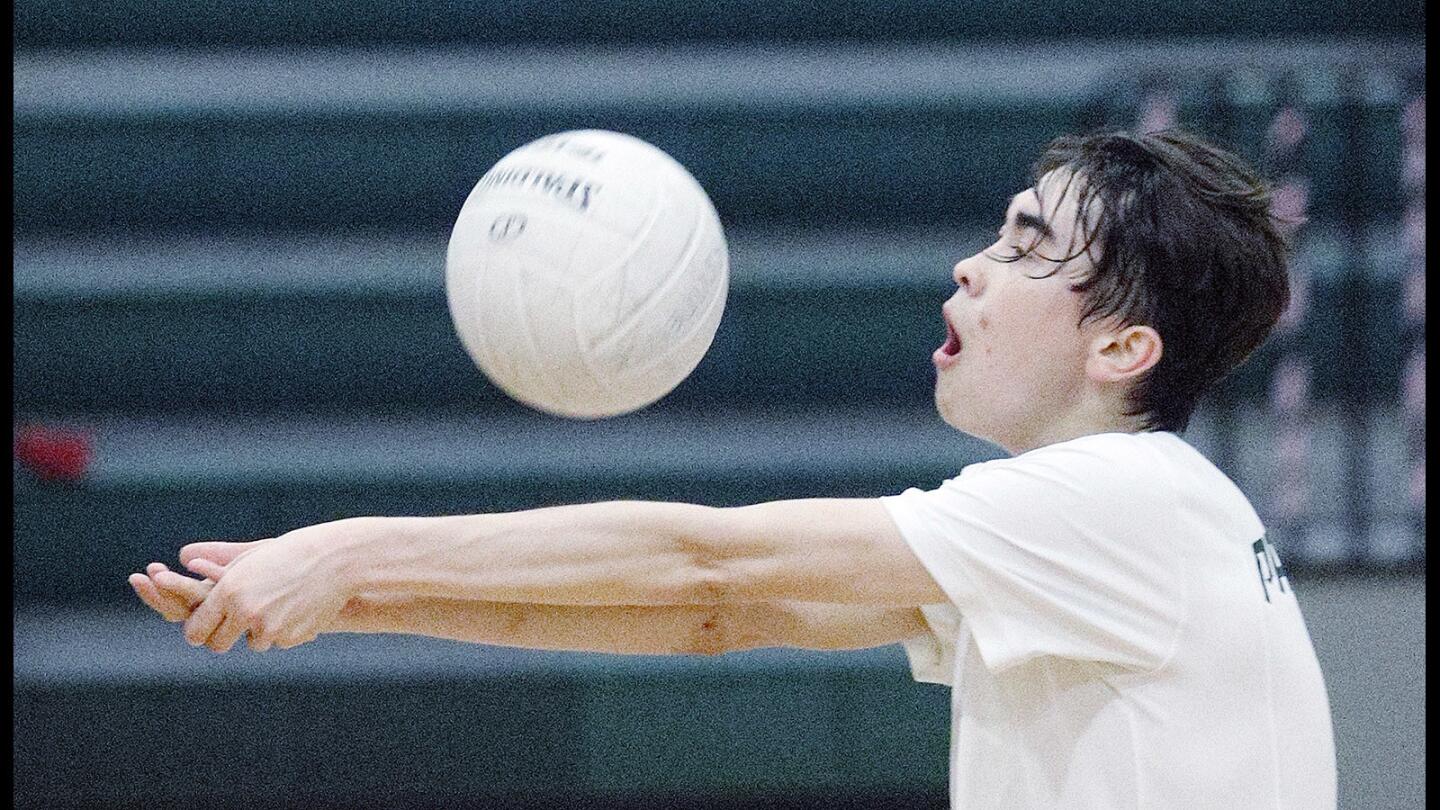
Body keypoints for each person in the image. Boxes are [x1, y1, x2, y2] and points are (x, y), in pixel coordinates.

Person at [131, 128, 1338, 809]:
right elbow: (720, 612)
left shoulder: (1122, 500)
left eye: (1026, 247)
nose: (973, 265)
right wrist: (351, 603)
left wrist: (350, 546)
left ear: (1126, 346)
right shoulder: (1124, 525)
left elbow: (708, 550)